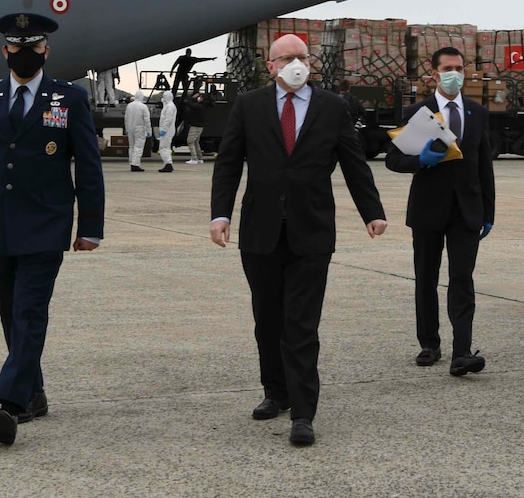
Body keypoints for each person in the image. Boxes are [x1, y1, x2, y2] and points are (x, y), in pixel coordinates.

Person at [0, 12, 104, 446]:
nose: (25, 55)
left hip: (47, 222)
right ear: (5, 50)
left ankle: (10, 403)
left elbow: (88, 165)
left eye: (33, 48)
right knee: (10, 311)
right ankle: (35, 393)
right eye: (17, 48)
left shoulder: (69, 99)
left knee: (29, 310)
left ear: (45, 50)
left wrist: (91, 225)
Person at [210, 34, 387, 448]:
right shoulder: (249, 105)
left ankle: (304, 413)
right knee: (267, 319)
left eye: (302, 57)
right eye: (286, 57)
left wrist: (372, 212)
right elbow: (229, 163)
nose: (296, 63)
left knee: (301, 324)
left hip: (312, 231)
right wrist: (221, 214)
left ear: (311, 63)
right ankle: (276, 391)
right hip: (260, 230)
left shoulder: (332, 107)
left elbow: (353, 163)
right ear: (270, 66)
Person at [385, 46, 496, 375]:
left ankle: (462, 351)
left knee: (462, 278)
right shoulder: (419, 112)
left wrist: (488, 212)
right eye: (448, 68)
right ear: (433, 73)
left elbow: (484, 166)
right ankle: (429, 343)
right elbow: (394, 159)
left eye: (460, 67)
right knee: (426, 278)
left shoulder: (477, 112)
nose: (455, 74)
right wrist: (420, 161)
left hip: (467, 209)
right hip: (428, 208)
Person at [182, 90, 212, 164]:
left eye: (200, 97)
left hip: (195, 126)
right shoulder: (204, 106)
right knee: (196, 142)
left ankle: (194, 158)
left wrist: (192, 98)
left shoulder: (199, 106)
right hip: (200, 126)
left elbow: (189, 104)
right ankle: (199, 158)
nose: (198, 98)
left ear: (202, 99)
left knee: (190, 141)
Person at [124, 91, 151, 172]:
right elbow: (147, 120)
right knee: (138, 147)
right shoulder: (143, 107)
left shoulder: (129, 106)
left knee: (131, 146)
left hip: (130, 128)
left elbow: (126, 118)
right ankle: (135, 164)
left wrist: (127, 129)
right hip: (139, 128)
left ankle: (132, 161)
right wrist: (148, 130)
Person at [157, 90, 177, 173]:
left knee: (163, 147)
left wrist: (163, 129)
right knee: (166, 147)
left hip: (167, 130)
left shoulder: (169, 106)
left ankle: (168, 164)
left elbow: (168, 119)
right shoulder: (169, 105)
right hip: (169, 130)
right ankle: (168, 163)